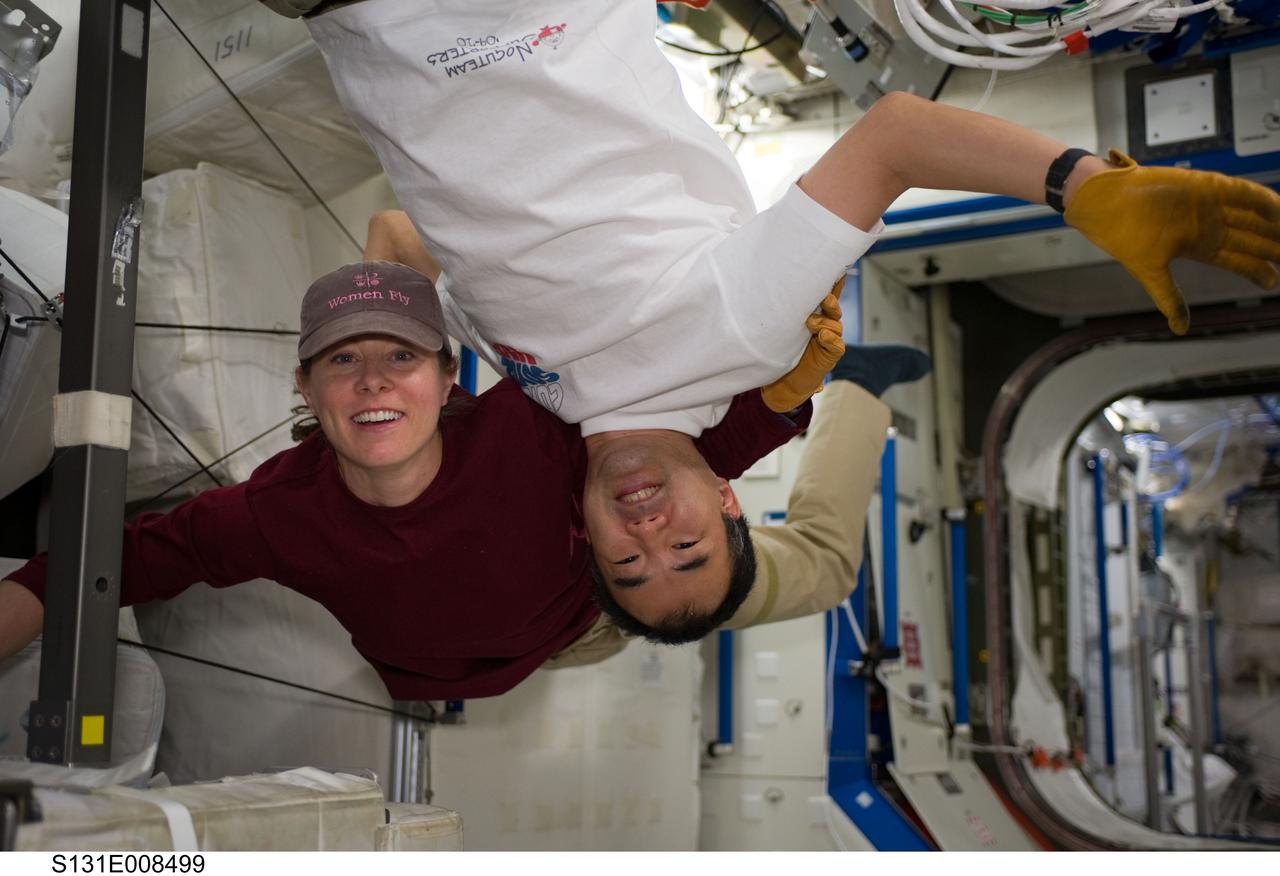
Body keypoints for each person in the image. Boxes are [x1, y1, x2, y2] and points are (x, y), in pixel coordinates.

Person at [292, 0, 1280, 637]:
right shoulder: (742, 339)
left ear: (585, 533)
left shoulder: (537, 384)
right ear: (727, 504)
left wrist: (382, 361)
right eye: (685, 548)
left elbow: (403, 233)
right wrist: (1080, 186)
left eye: (628, 562)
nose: (648, 531)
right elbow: (893, 135)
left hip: (357, 31)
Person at [0, 261, 922, 699]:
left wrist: (795, 387)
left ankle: (852, 395)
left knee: (741, 560)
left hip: (598, 587)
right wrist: (786, 383)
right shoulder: (285, 517)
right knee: (796, 567)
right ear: (308, 393)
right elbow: (125, 560)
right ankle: (851, 397)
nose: (373, 385)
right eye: (346, 368)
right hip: (589, 623)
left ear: (447, 382)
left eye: (397, 361)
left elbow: (677, 462)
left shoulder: (542, 440)